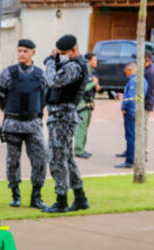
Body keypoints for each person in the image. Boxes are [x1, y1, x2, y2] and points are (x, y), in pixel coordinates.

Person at [0, 38, 48, 209]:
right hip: (13, 123)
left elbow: (45, 96)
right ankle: (15, 195)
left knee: (40, 159)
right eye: (20, 51)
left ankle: (36, 196)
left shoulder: (41, 74)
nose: (22, 54)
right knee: (12, 161)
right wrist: (9, 112)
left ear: (33, 53)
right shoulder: (8, 73)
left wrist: (37, 112)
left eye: (26, 51)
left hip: (33, 123)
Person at [42, 34, 91, 213]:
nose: (61, 56)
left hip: (62, 116)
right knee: (67, 159)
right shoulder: (73, 64)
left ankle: (61, 200)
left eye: (63, 53)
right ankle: (80, 197)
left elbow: (53, 81)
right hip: (62, 115)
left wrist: (49, 62)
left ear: (74, 50)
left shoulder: (74, 66)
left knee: (56, 159)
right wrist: (55, 61)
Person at [115, 62, 148, 168]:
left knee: (130, 136)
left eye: (126, 72)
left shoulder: (134, 81)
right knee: (131, 135)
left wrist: (124, 107)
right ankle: (130, 154)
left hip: (131, 111)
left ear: (130, 70)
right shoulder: (141, 79)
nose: (126, 74)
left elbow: (131, 98)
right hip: (135, 110)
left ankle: (129, 160)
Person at [73, 53, 100, 159]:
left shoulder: (94, 72)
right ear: (88, 61)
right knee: (81, 128)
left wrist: (96, 86)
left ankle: (82, 148)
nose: (96, 62)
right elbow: (82, 88)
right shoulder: (83, 72)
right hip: (82, 104)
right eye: (95, 60)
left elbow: (94, 85)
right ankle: (78, 150)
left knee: (85, 127)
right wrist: (93, 84)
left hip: (89, 103)